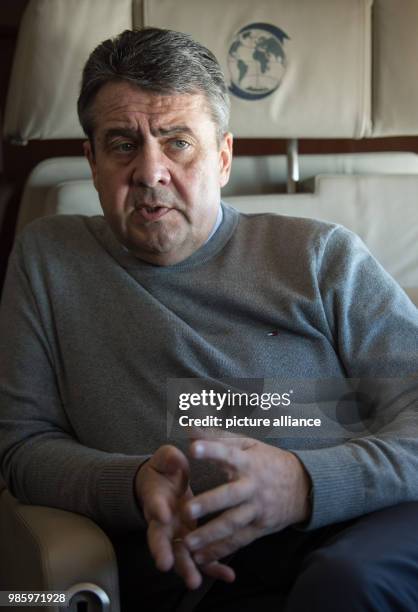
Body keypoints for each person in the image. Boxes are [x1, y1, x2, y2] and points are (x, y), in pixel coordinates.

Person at [1, 26, 418, 612]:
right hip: (183, 560)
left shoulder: (322, 255)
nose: (150, 172)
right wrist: (133, 482)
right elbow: (22, 448)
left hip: (355, 530)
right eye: (123, 144)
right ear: (90, 161)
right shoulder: (48, 261)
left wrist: (305, 485)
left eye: (177, 142)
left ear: (223, 157)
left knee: (345, 586)